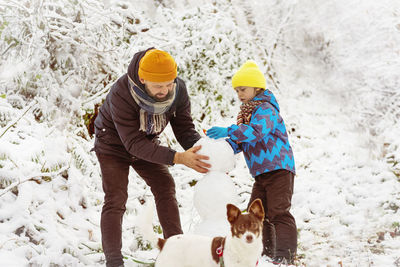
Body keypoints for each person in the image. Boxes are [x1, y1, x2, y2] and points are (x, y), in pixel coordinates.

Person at [93, 48, 210, 267]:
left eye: (169, 84)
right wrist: (178, 157)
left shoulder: (178, 90)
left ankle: (177, 252)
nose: (165, 91)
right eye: (158, 86)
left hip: (145, 140)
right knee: (116, 198)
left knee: (165, 185)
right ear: (143, 78)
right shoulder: (122, 92)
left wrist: (206, 151)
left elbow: (184, 129)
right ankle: (114, 261)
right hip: (112, 145)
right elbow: (133, 143)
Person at [207, 60, 297, 265]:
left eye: (243, 89)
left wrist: (229, 130)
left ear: (257, 87)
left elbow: (256, 132)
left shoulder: (266, 109)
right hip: (261, 173)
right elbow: (244, 140)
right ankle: (265, 254)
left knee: (279, 212)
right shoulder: (247, 113)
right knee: (256, 215)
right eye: (237, 90)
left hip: (279, 168)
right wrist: (225, 145)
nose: (239, 94)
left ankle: (285, 257)